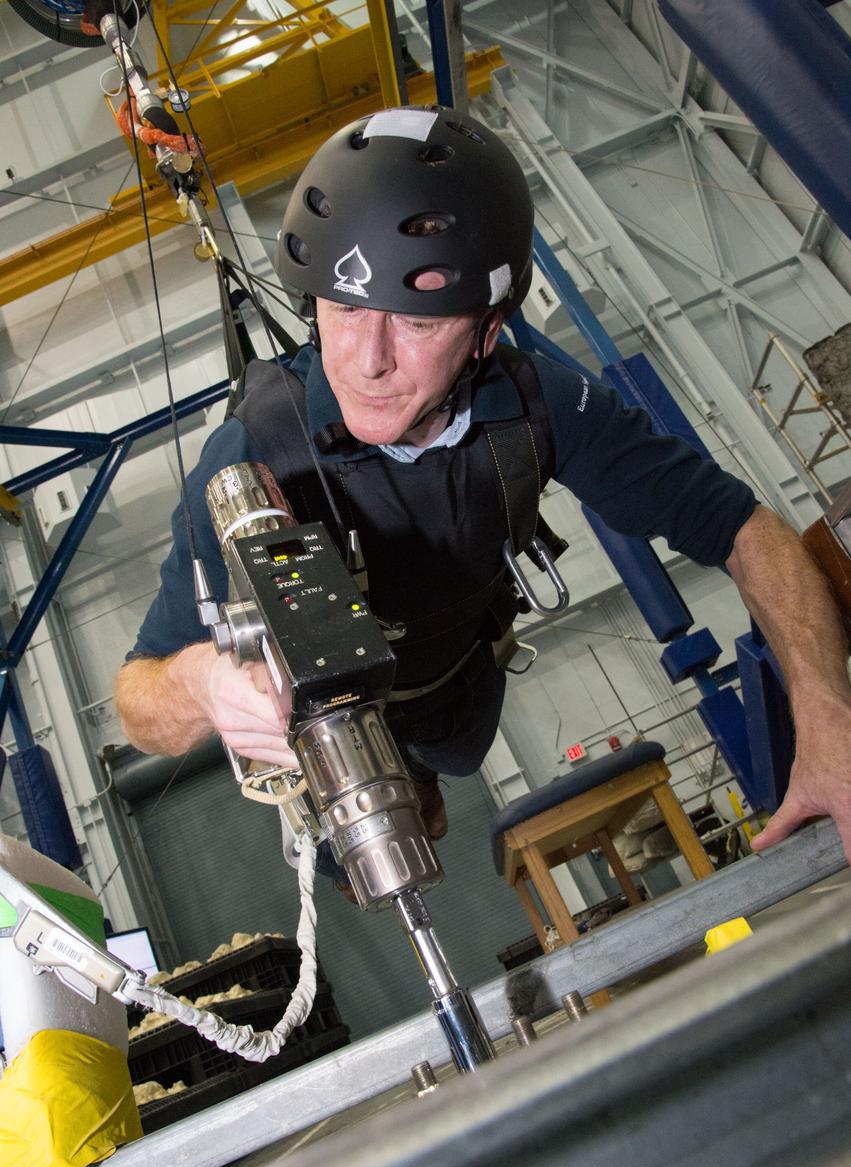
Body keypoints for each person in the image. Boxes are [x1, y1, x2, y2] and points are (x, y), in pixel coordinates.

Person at [115, 104, 851, 876]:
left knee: (444, 769)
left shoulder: (536, 405)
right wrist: (202, 681)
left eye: (418, 322)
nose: (367, 361)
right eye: (344, 308)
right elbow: (137, 699)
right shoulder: (253, 457)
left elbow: (743, 527)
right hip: (343, 735)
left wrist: (829, 723)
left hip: (463, 695)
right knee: (370, 862)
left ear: (486, 333)